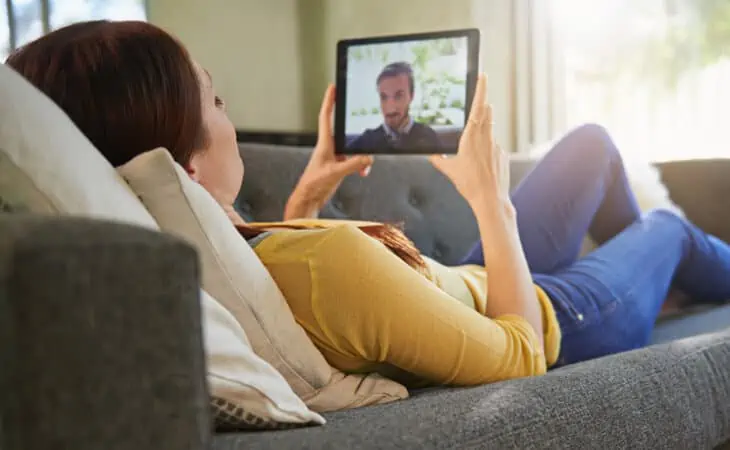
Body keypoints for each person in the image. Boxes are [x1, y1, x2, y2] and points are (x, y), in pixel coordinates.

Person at [7, 20, 730, 386]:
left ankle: (662, 299)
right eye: (218, 100)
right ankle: (650, 298)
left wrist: (307, 196)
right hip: (555, 317)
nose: (230, 115)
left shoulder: (197, 252)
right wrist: (492, 203)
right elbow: (520, 357)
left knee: (594, 145)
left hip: (472, 285)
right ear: (187, 165)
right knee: (669, 227)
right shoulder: (327, 268)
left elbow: (293, 279)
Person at [347, 61, 442, 153]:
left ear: (411, 96)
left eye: (399, 96)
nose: (390, 107)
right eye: (384, 97)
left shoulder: (429, 137)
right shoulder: (366, 141)